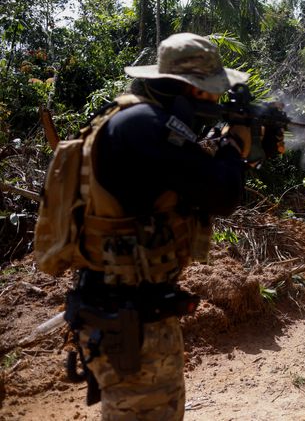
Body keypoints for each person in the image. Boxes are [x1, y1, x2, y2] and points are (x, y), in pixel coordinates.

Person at [66, 33, 258, 420]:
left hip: (132, 309)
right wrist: (235, 146)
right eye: (212, 92)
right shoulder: (145, 127)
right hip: (131, 319)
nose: (217, 101)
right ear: (190, 90)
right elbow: (222, 195)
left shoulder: (135, 120)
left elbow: (184, 182)